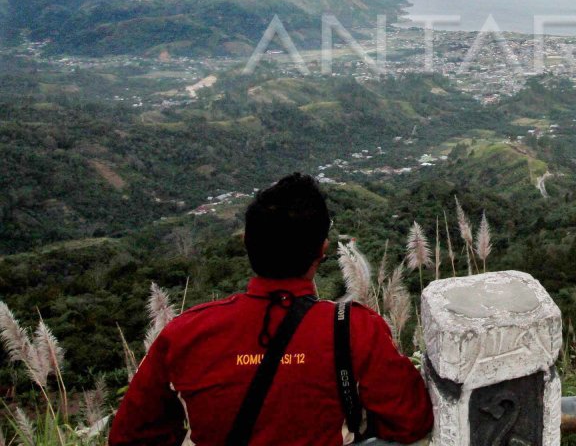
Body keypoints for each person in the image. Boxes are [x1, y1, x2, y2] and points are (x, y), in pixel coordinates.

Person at [110, 173, 434, 445]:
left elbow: (129, 437)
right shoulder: (354, 329)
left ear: (247, 242)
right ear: (322, 250)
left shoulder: (183, 336)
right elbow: (412, 421)